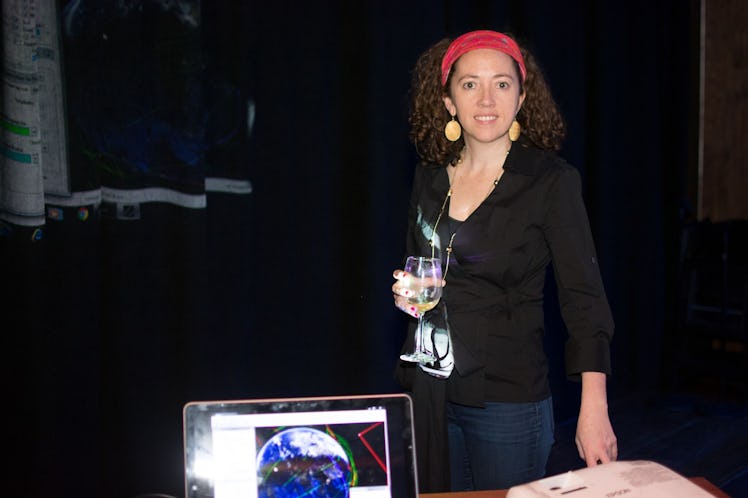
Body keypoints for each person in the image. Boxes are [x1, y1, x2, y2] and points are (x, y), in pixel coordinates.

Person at [391, 30, 618, 492]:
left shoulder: (551, 182)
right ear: (449, 101)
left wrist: (594, 408)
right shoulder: (429, 177)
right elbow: (424, 267)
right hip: (428, 391)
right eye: (470, 84)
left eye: (502, 83)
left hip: (507, 400)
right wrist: (408, 295)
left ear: (522, 96)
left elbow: (584, 300)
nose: (486, 98)